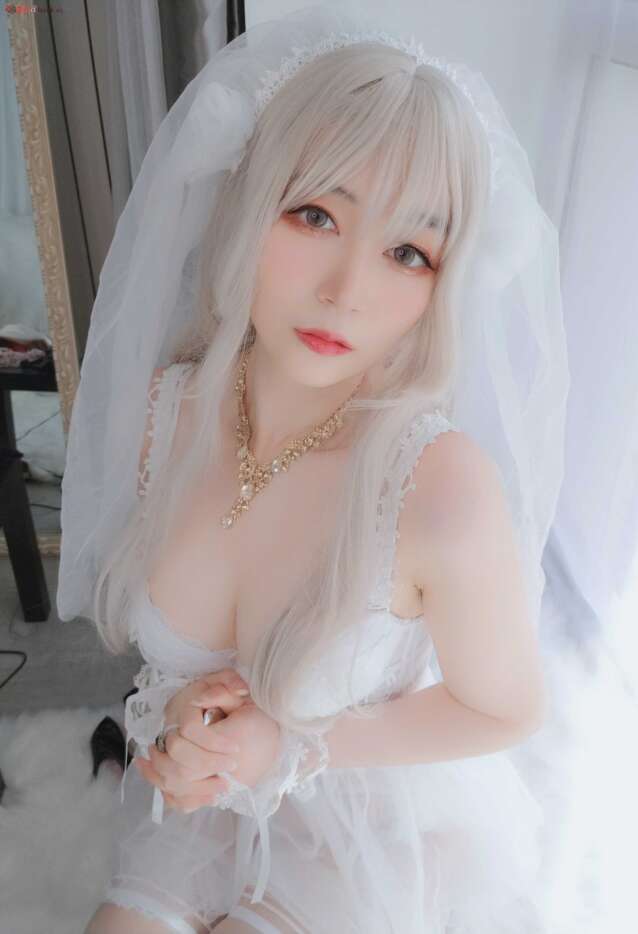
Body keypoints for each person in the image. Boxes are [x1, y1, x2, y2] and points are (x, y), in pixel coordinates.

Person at [59, 5, 569, 932]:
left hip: (362, 827)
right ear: (249, 200)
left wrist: (292, 749)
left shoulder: (439, 488)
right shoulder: (165, 414)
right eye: (315, 214)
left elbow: (507, 712)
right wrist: (188, 735)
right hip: (200, 814)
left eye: (407, 252)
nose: (348, 291)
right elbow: (172, 671)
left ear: (444, 282)